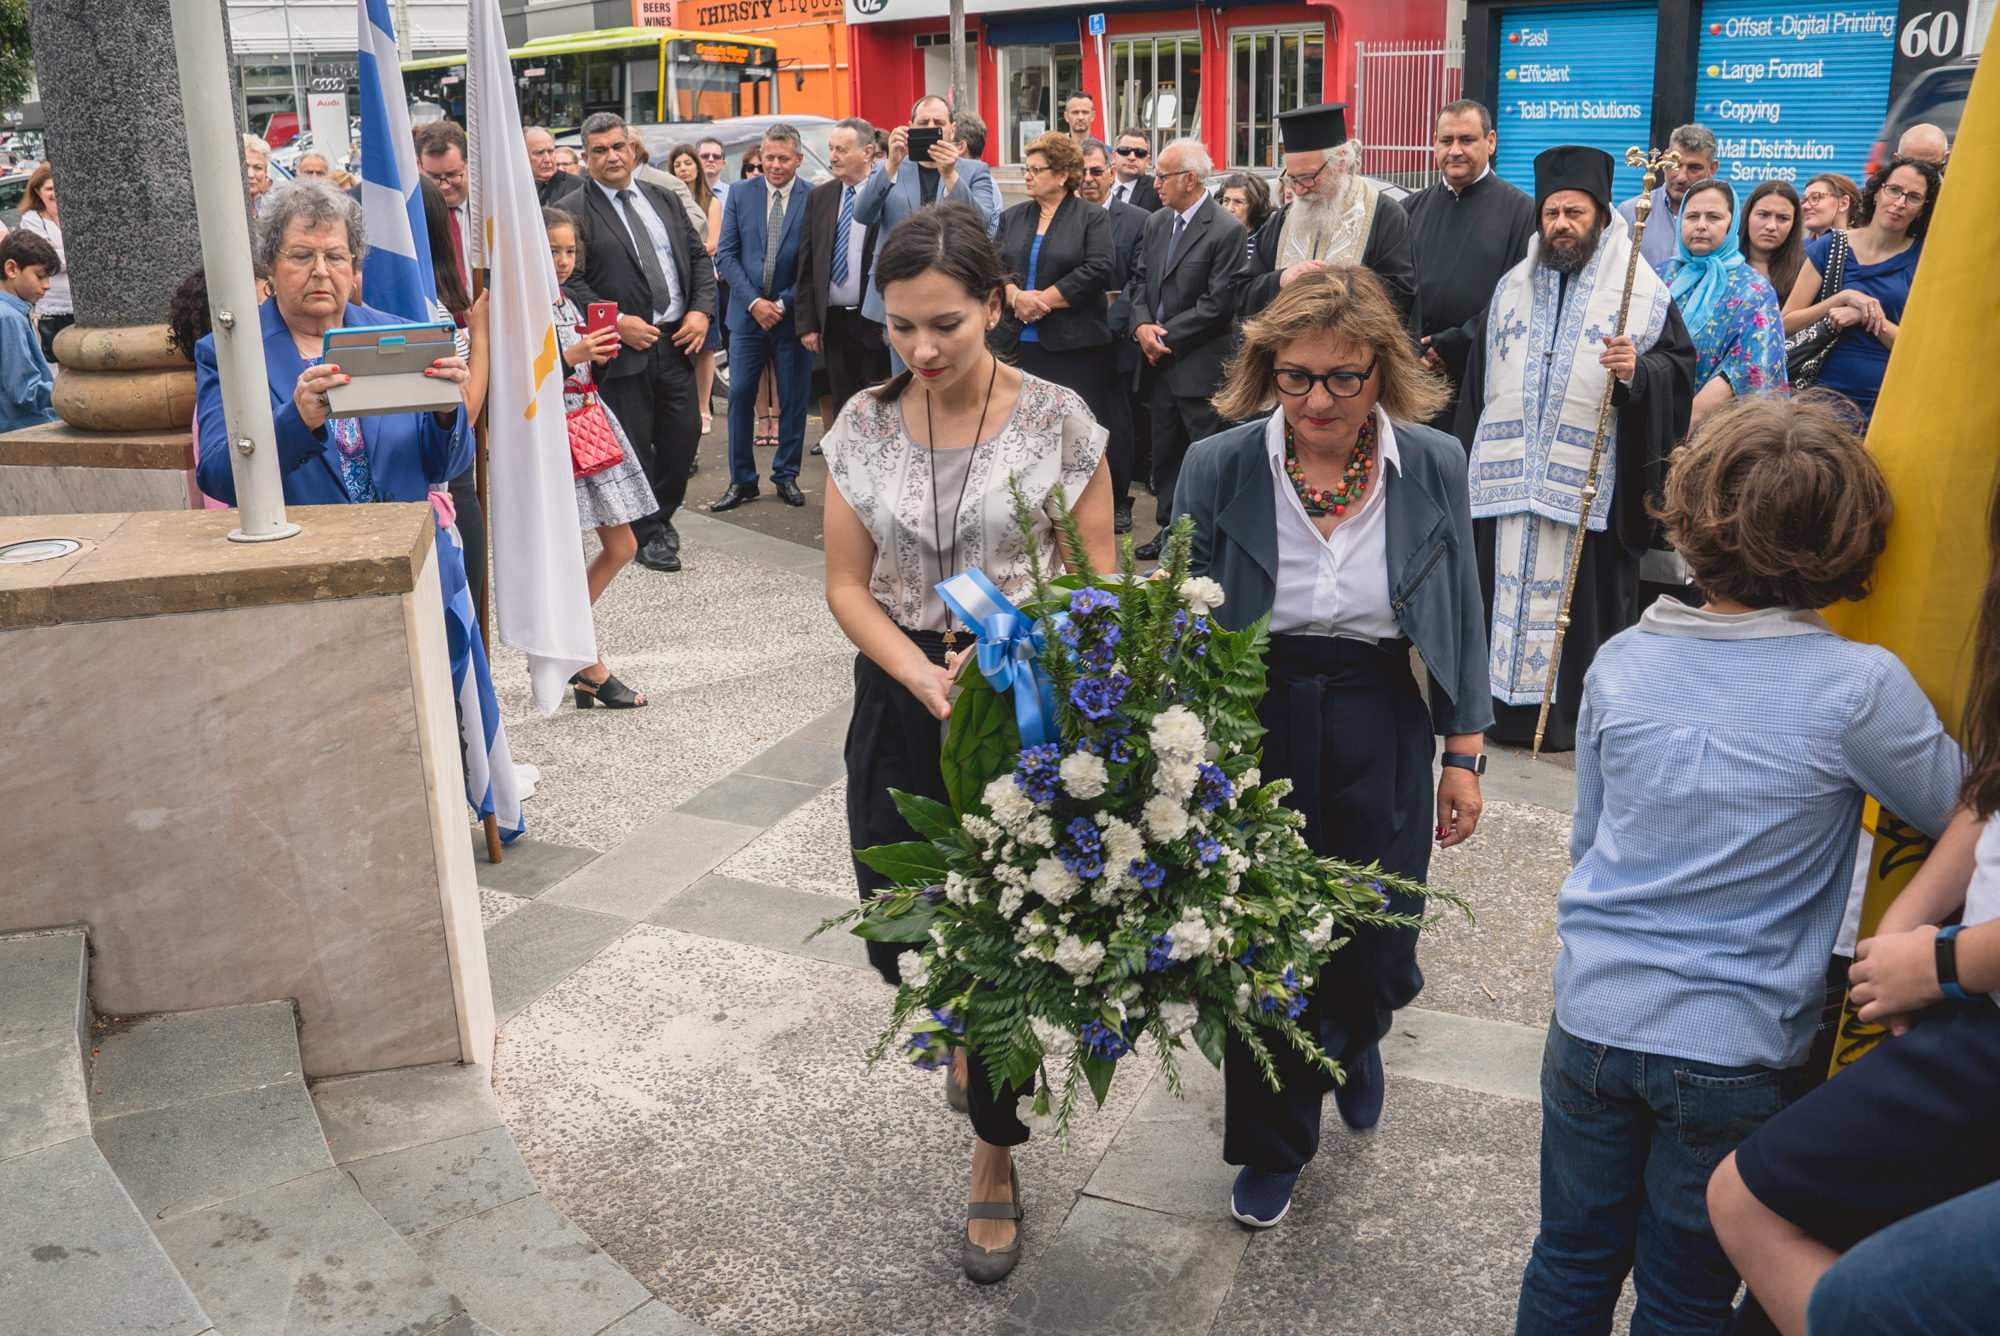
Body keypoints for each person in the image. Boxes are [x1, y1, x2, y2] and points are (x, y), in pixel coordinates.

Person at [1511, 394, 1961, 1334]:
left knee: (1569, 1258)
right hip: (1737, 1046)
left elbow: (1591, 843)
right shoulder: (1857, 687)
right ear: (1846, 541)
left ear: (1689, 514)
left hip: (1591, 1017)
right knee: (1685, 1294)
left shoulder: (1622, 659)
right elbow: (1966, 807)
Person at [818, 200, 1114, 1284]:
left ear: (995, 304)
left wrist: (1018, 658)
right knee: (896, 924)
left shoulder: (1059, 420)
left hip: (1017, 696)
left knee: (1005, 933)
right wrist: (915, 672)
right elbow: (846, 584)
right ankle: (951, 1022)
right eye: (900, 326)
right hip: (903, 689)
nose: (922, 349)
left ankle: (994, 1150)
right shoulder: (861, 424)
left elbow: (1097, 574)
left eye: (944, 323)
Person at [1176, 264, 1488, 1228]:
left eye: (1344, 377)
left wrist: (1464, 753)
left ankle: (1355, 1034)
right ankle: (1273, 1143)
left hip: (1377, 704)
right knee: (1259, 940)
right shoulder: (1218, 465)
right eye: (1297, 377)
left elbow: (1460, 607)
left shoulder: (1431, 460)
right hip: (1252, 709)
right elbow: (1181, 615)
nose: (1319, 400)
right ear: (1267, 371)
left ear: (1382, 371)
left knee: (1377, 940)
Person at [1454, 145, 1697, 752]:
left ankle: (1567, 721)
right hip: (1506, 486)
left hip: (1588, 490)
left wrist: (1638, 374)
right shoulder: (1511, 287)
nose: (1561, 224)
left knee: (1580, 609)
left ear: (1602, 217)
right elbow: (1478, 383)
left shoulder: (1641, 293)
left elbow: (1678, 372)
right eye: (1552, 213)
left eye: (1575, 213)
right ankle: (1490, 715)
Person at [191, 181, 472, 508]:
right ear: (270, 264)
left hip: (411, 538)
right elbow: (217, 478)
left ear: (354, 266)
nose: (321, 271)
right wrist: (295, 420)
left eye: (336, 256)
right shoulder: (229, 353)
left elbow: (445, 467)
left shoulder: (401, 335)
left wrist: (446, 412)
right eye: (302, 256)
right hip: (306, 541)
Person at [560, 111, 715, 574]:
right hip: (620, 349)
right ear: (586, 157)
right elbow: (571, 280)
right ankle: (647, 535)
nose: (611, 157)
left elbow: (698, 258)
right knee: (633, 441)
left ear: (632, 148)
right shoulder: (573, 210)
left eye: (618, 146)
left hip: (677, 341)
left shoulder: (664, 197)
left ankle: (660, 516)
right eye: (600, 150)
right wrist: (619, 320)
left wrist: (700, 311)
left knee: (683, 435)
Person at [546, 205, 655, 709]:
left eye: (570, 251)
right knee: (570, 554)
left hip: (588, 421)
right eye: (552, 250)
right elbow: (514, 380)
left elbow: (582, 370)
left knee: (623, 545)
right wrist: (571, 357)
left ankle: (569, 652)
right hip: (552, 434)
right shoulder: (523, 305)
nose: (563, 260)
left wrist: (597, 358)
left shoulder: (568, 300)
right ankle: (585, 663)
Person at [1125, 136, 1247, 560]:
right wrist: (1141, 326)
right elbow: (1139, 281)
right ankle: (1169, 533)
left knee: (1206, 457)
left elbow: (1218, 305)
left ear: (1190, 179)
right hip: (1157, 363)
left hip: (1198, 367)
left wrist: (1161, 337)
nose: (1155, 183)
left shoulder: (1227, 229)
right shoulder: (1157, 222)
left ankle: (1207, 540)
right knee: (1166, 455)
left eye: (1163, 176)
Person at [1407, 99, 1537, 430]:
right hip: (1409, 379)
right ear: (1434, 144)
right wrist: (1409, 348)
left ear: (1490, 142)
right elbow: (1390, 289)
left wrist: (1452, 345)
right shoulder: (1408, 210)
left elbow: (1521, 296)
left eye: (1466, 140)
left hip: (1476, 382)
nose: (1455, 151)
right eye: (1446, 140)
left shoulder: (1522, 213)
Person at [851, 95, 1003, 371]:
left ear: (952, 130)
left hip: (952, 289)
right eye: (923, 123)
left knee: (950, 375)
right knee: (905, 380)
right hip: (898, 290)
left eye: (938, 123)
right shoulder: (889, 167)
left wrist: (950, 175)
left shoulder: (974, 170)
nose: (931, 128)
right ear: (910, 127)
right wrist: (891, 165)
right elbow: (862, 214)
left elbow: (981, 225)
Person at [1783, 155, 1936, 427]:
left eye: (1913, 197)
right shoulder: (1831, 245)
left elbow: (1923, 348)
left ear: (1923, 209)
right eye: (1894, 190)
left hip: (1886, 410)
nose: (1900, 203)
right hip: (1819, 408)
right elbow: (1785, 324)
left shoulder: (1925, 259)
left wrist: (1865, 316)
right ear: (1877, 192)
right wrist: (1842, 298)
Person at [1233, 103, 1418, 327]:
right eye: (1292, 179)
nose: (1298, 190)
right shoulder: (1282, 221)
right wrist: (1280, 279)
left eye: (1308, 178)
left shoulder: (1386, 216)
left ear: (1340, 163)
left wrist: (1334, 288)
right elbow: (1242, 293)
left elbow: (1399, 299)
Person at [711, 124, 813, 513]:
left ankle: (786, 475)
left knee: (793, 399)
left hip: (790, 318)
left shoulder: (813, 197)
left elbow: (813, 263)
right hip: (746, 317)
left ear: (798, 159)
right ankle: (742, 480)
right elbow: (726, 254)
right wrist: (754, 303)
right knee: (739, 396)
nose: (774, 165)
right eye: (768, 157)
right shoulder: (740, 193)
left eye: (783, 158)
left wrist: (783, 304)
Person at [990, 132, 1115, 430]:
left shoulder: (1092, 217)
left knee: (1070, 432)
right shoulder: (1012, 217)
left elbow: (1098, 268)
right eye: (1026, 169)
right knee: (1016, 430)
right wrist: (1016, 298)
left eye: (1036, 170)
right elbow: (992, 268)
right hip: (1014, 347)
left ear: (1062, 175)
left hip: (1073, 349)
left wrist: (1038, 302)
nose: (1027, 176)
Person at [417, 176, 492, 601]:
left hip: (452, 474)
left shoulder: (435, 299)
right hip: (447, 476)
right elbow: (466, 411)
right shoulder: (424, 306)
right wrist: (480, 336)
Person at [1663, 180, 1787, 431]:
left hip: (1712, 434)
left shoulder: (1754, 291)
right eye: (1692, 216)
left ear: (1732, 225)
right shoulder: (1658, 275)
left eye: (1713, 217)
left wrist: (1679, 429)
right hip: (1651, 419)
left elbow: (1746, 371)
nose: (1701, 225)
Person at [1079, 137, 1151, 535]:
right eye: (1081, 172)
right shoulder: (1061, 217)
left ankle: (1119, 500)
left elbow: (1139, 280)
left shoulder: (1138, 220)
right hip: (1069, 339)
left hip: (1115, 338)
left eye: (1096, 170)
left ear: (1110, 172)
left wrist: (1110, 324)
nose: (1088, 179)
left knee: (1117, 423)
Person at [796, 118, 887, 431]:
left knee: (878, 403)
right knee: (843, 404)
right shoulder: (820, 197)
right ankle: (847, 459)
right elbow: (807, 264)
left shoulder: (887, 193)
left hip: (874, 319)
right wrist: (808, 324)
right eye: (831, 148)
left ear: (867, 153)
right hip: (834, 322)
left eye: (841, 150)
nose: (832, 157)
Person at [667, 141, 724, 435]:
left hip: (702, 281)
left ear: (697, 168)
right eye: (677, 165)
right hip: (675, 282)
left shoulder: (711, 201)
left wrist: (682, 252)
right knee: (679, 344)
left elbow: (711, 244)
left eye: (688, 163)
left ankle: (704, 409)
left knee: (705, 347)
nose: (683, 169)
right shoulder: (665, 200)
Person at [1616, 122, 1718, 270]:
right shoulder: (1629, 212)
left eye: (1694, 168)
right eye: (1675, 165)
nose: (1681, 177)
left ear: (1712, 169)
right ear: (1664, 160)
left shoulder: (1723, 219)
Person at [0, 229, 59, 433]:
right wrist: (69, 389)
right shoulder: (9, 317)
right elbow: (24, 390)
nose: (47, 286)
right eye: (40, 276)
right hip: (22, 428)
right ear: (11, 269)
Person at [15, 164, 70, 362]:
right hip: (55, 304)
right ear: (37, 191)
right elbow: (46, 260)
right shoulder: (32, 219)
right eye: (49, 189)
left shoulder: (74, 214)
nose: (55, 193)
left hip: (81, 302)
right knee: (64, 359)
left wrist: (57, 251)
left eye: (58, 187)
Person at [414, 121, 471, 294]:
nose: (445, 185)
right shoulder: (411, 217)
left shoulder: (493, 211)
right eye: (434, 177)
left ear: (467, 164)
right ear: (419, 167)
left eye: (453, 175)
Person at [1739, 178, 1805, 303]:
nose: (1771, 226)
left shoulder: (1804, 273)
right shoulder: (1721, 266)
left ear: (1794, 225)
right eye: (1763, 215)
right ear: (1747, 215)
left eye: (1783, 218)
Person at [1215, 172, 1274, 253]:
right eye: (1226, 200)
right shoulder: (1213, 238)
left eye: (1238, 202)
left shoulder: (1265, 242)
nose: (1229, 208)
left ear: (1254, 206)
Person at [1107, 128, 1163, 211]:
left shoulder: (1158, 190)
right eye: (1125, 151)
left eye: (1139, 153)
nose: (1132, 157)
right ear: (1114, 157)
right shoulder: (1100, 184)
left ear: (1147, 161)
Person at [526, 126, 580, 206]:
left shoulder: (578, 187)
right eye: (539, 152)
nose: (547, 159)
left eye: (551, 151)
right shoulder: (510, 187)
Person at [1800, 172, 1860, 240]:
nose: (1804, 206)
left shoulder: (1864, 245)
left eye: (1815, 198)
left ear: (1843, 204)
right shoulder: (1800, 246)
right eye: (1804, 201)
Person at [696, 136, 729, 209]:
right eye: (705, 156)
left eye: (716, 156)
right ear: (696, 161)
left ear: (723, 164)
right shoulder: (688, 194)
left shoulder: (731, 195)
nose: (710, 159)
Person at [243, 134, 272, 214]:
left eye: (258, 168)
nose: (251, 175)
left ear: (265, 172)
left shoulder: (275, 210)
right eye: (245, 167)